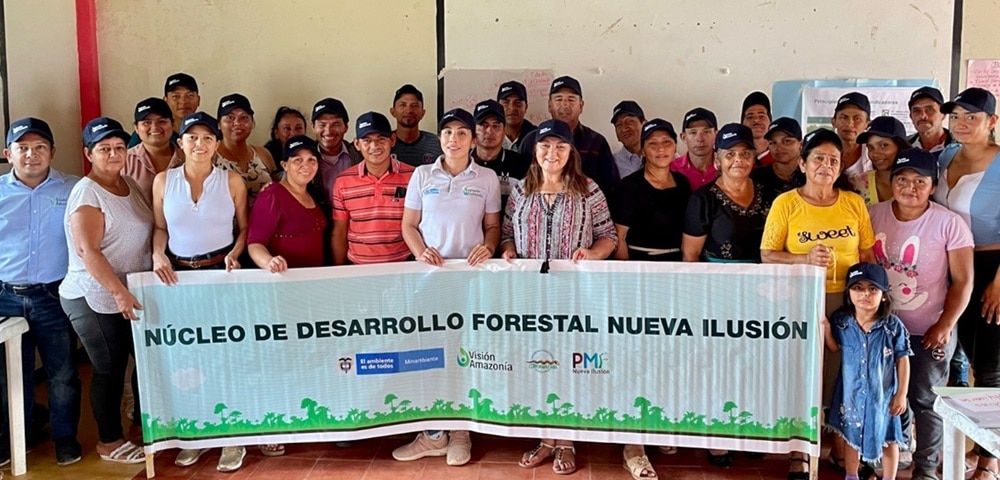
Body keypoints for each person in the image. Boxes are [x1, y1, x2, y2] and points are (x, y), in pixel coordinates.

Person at [500, 119, 616, 476]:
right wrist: (507, 249)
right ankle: (545, 437)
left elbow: (608, 236)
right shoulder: (521, 189)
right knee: (537, 363)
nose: (552, 153)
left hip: (573, 297)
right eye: (545, 146)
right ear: (535, 150)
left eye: (560, 146)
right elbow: (506, 232)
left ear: (571, 152)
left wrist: (593, 254)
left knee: (568, 364)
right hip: (530, 296)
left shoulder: (588, 189)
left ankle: (566, 439)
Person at [760, 127, 876, 479]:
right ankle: (799, 452)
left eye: (833, 160)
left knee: (845, 375)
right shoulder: (786, 203)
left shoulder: (853, 202)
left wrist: (869, 302)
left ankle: (840, 446)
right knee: (804, 373)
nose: (826, 165)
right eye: (818, 158)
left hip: (848, 301)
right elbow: (767, 254)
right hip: (801, 298)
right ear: (803, 164)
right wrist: (804, 259)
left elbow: (867, 253)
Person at [394, 108, 500, 467]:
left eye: (461, 133)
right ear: (439, 138)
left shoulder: (487, 178)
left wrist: (488, 246)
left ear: (473, 139)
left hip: (470, 280)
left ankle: (460, 432)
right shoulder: (422, 175)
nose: (454, 139)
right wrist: (420, 251)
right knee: (430, 353)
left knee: (464, 352)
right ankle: (433, 433)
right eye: (447, 133)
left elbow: (493, 227)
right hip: (429, 279)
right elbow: (409, 225)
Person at [150, 112, 252, 472]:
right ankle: (197, 433)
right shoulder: (163, 181)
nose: (200, 144)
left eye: (207, 138)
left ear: (216, 144)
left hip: (220, 274)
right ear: (180, 143)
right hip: (178, 278)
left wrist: (235, 253)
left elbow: (245, 229)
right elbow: (160, 228)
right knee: (188, 356)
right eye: (192, 137)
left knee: (225, 354)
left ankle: (232, 436)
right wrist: (157, 254)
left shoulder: (232, 180)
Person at [869, 148, 974, 479]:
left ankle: (926, 469)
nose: (910, 187)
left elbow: (963, 281)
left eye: (919, 181)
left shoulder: (949, 223)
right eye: (902, 179)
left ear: (933, 186)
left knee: (925, 399)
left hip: (929, 327)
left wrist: (945, 325)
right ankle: (892, 454)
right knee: (885, 393)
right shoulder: (872, 215)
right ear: (891, 182)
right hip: (883, 330)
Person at [59, 117, 151, 464]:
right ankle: (110, 442)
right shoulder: (88, 193)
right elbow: (88, 251)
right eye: (104, 149)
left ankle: (144, 426)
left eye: (118, 147)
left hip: (127, 291)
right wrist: (118, 292)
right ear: (88, 154)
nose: (113, 154)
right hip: (94, 295)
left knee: (143, 360)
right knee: (109, 368)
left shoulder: (127, 183)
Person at [0, 118, 82, 466]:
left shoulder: (73, 188)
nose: (31, 155)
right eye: (22, 148)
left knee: (62, 373)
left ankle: (65, 438)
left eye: (39, 147)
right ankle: (17, 437)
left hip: (54, 296)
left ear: (52, 152)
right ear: (9, 154)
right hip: (5, 297)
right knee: (9, 376)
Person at [934, 87, 1000, 480]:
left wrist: (999, 283)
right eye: (956, 116)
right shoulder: (946, 156)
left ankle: (990, 460)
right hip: (949, 266)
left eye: (971, 117)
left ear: (992, 122)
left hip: (991, 267)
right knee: (958, 360)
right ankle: (970, 444)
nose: (961, 123)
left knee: (990, 364)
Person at [823, 262, 911, 480]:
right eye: (858, 288)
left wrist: (901, 394)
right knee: (850, 436)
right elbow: (834, 348)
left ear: (883, 295)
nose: (865, 294)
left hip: (883, 396)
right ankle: (851, 475)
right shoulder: (842, 321)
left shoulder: (892, 326)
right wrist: (826, 330)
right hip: (851, 394)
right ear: (849, 293)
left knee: (888, 437)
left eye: (873, 289)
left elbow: (903, 359)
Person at [332, 112, 414, 265]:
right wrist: (339, 271)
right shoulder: (343, 181)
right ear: (357, 144)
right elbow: (339, 231)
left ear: (392, 140)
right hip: (358, 268)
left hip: (403, 266)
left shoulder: (414, 177)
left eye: (381, 139)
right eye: (367, 140)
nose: (374, 146)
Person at [681, 123, 768, 265]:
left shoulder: (768, 194)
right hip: (717, 275)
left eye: (746, 153)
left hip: (762, 275)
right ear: (717, 159)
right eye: (730, 154)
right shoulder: (703, 199)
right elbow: (690, 254)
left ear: (753, 158)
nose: (739, 159)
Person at [517, 76, 620, 194]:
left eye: (571, 99)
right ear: (549, 105)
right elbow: (520, 183)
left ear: (581, 106)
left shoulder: (597, 142)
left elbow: (611, 187)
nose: (565, 105)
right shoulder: (531, 140)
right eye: (559, 99)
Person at [611, 118, 691, 262]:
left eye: (666, 142)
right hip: (640, 264)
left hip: (678, 263)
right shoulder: (628, 187)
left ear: (675, 147)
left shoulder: (682, 183)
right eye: (653, 143)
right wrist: (626, 271)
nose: (661, 149)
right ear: (642, 150)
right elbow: (619, 237)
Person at [248, 136, 328, 271]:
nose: (306, 166)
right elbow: (255, 243)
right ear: (284, 165)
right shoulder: (272, 195)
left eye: (311, 160)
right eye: (298, 160)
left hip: (313, 277)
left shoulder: (314, 193)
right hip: (285, 277)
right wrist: (269, 262)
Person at [214, 93, 277, 205]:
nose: (237, 123)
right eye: (230, 118)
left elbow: (280, 192)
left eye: (244, 118)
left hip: (265, 216)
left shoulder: (263, 154)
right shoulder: (210, 158)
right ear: (219, 124)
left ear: (252, 123)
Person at [471, 99, 530, 213]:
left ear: (504, 131)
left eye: (496, 126)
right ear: (473, 130)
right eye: (484, 125)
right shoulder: (463, 163)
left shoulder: (521, 165)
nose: (489, 131)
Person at [124, 97, 184, 199]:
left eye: (162, 121)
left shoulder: (187, 158)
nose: (155, 127)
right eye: (146, 123)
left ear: (173, 125)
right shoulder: (124, 161)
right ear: (136, 128)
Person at [127, 72, 198, 148]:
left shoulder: (204, 129)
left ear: (198, 100)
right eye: (176, 96)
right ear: (165, 100)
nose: (183, 101)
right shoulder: (146, 134)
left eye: (190, 95)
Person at [852, 116, 911, 205]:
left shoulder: (916, 184)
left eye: (884, 145)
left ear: (900, 146)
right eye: (871, 148)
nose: (875, 154)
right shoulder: (856, 184)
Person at [311, 97, 362, 199]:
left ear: (346, 127)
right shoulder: (303, 159)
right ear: (313, 127)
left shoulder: (361, 156)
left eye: (336, 124)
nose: (328, 131)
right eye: (322, 125)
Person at [751, 117, 802, 203]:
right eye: (773, 143)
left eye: (786, 141)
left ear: (801, 144)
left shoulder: (811, 176)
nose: (779, 147)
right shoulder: (757, 177)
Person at [390, 84, 442, 166]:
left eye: (415, 106)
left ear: (422, 113)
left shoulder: (437, 144)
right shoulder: (384, 143)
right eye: (402, 105)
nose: (409, 110)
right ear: (393, 112)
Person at [671, 107, 719, 191]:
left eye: (706, 132)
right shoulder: (671, 169)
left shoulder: (727, 166)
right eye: (693, 132)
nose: (700, 138)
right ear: (684, 137)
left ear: (716, 134)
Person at [832, 91, 873, 178]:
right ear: (833, 121)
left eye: (857, 118)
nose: (850, 124)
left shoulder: (874, 156)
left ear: (867, 124)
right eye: (844, 117)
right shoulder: (821, 152)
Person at [907, 86, 954, 156]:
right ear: (911, 116)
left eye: (929, 109)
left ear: (943, 114)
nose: (923, 116)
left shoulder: (960, 148)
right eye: (916, 111)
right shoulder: (903, 147)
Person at [497, 80, 536, 150]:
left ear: (526, 107)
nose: (512, 108)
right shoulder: (488, 135)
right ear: (497, 106)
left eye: (518, 103)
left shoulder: (536, 136)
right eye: (506, 102)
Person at [611, 100, 646, 178]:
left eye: (629, 121)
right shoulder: (612, 163)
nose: (624, 129)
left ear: (644, 124)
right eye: (619, 125)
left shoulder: (662, 156)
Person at [741, 91, 774, 167]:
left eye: (761, 116)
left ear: (770, 121)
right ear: (742, 123)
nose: (756, 120)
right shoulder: (737, 159)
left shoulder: (779, 156)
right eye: (750, 117)